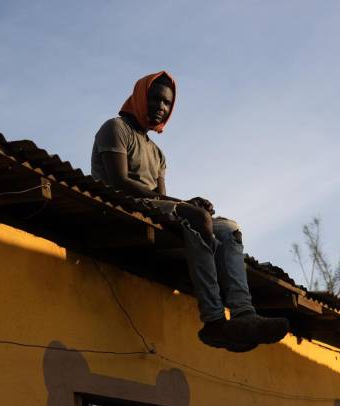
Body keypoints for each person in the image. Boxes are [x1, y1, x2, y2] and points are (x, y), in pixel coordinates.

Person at [91, 72, 289, 352]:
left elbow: (162, 198)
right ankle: (214, 319)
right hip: (123, 203)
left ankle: (243, 313)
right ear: (139, 97)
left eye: (167, 103)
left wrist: (188, 204)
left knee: (229, 228)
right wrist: (187, 206)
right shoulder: (115, 128)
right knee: (198, 218)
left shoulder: (157, 153)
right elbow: (119, 182)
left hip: (153, 207)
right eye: (155, 98)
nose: (161, 107)